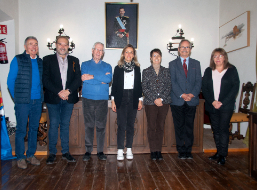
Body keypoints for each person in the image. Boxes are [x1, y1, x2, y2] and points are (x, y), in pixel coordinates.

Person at [43, 36, 81, 164]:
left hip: (68, 98)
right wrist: (59, 92)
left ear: (68, 46)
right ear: (55, 45)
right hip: (53, 98)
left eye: (65, 44)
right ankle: (52, 153)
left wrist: (68, 91)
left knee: (65, 125)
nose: (63, 47)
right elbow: (45, 80)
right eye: (60, 44)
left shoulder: (75, 60)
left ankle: (65, 152)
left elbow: (77, 79)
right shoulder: (47, 59)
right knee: (53, 124)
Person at [7, 36, 43, 169]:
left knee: (34, 129)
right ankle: (20, 157)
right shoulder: (18, 60)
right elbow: (10, 81)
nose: (34, 47)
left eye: (36, 44)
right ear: (25, 47)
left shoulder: (40, 62)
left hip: (37, 101)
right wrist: (17, 98)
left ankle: (31, 155)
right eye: (31, 44)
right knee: (22, 129)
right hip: (23, 102)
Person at [202, 48, 239, 165]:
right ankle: (218, 152)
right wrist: (213, 101)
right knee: (216, 130)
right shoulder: (208, 71)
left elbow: (235, 88)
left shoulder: (232, 70)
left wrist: (222, 102)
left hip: (226, 106)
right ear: (212, 58)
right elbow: (205, 88)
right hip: (212, 105)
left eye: (220, 56)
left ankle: (223, 155)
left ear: (225, 57)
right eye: (215, 56)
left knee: (223, 130)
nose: (217, 58)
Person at [169, 39, 202, 159]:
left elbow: (199, 81)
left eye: (187, 47)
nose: (184, 49)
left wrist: (192, 94)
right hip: (177, 100)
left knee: (189, 126)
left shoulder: (196, 63)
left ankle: (188, 150)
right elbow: (172, 82)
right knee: (179, 127)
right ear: (178, 50)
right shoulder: (172, 64)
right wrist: (182, 95)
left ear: (190, 50)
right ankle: (181, 150)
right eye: (182, 47)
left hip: (192, 101)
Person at [111, 44, 142, 160]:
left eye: (131, 52)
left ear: (134, 55)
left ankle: (129, 149)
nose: (129, 54)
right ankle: (120, 150)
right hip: (121, 98)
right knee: (121, 125)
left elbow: (139, 86)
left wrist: (140, 100)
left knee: (130, 125)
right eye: (127, 52)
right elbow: (114, 86)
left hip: (133, 98)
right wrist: (113, 100)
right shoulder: (118, 68)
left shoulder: (137, 69)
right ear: (123, 54)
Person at [81, 42, 112, 161]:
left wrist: (92, 77)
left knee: (101, 126)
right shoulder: (85, 64)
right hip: (88, 98)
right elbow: (84, 79)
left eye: (101, 50)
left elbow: (108, 79)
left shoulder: (107, 66)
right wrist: (100, 78)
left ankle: (100, 151)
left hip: (102, 99)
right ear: (92, 50)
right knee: (88, 126)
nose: (99, 52)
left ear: (103, 53)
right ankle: (88, 151)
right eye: (97, 50)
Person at [142, 49, 172, 160]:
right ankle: (153, 150)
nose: (156, 58)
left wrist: (161, 98)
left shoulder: (166, 71)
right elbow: (145, 88)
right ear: (151, 58)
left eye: (158, 56)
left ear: (161, 57)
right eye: (154, 56)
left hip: (164, 103)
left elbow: (169, 86)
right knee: (151, 127)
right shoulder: (146, 71)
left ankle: (158, 150)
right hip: (150, 103)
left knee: (160, 126)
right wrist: (155, 99)